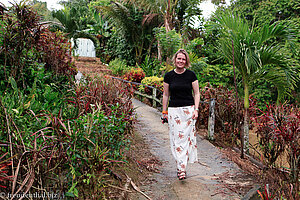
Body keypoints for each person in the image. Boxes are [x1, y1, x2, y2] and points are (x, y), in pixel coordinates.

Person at [162, 49, 200, 180]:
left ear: (186, 61)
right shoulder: (168, 76)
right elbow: (166, 95)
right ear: (175, 59)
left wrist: (196, 109)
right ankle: (181, 167)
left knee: (186, 140)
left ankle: (181, 169)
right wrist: (164, 111)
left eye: (183, 59)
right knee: (177, 140)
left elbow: (197, 93)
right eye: (179, 59)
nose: (181, 61)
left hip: (188, 111)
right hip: (174, 111)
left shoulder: (191, 75)